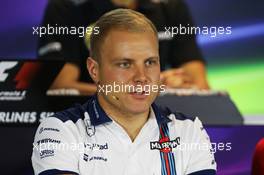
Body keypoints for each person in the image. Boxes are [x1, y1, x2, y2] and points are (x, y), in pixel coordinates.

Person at [32, 9, 216, 175]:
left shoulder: (189, 131)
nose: (141, 77)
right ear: (94, 70)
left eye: (150, 62)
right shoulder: (60, 131)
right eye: (125, 64)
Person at [38, 0, 209, 95]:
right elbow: (59, 87)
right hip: (86, 127)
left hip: (151, 126)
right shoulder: (65, 7)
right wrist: (150, 90)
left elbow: (200, 87)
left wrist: (174, 85)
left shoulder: (171, 6)